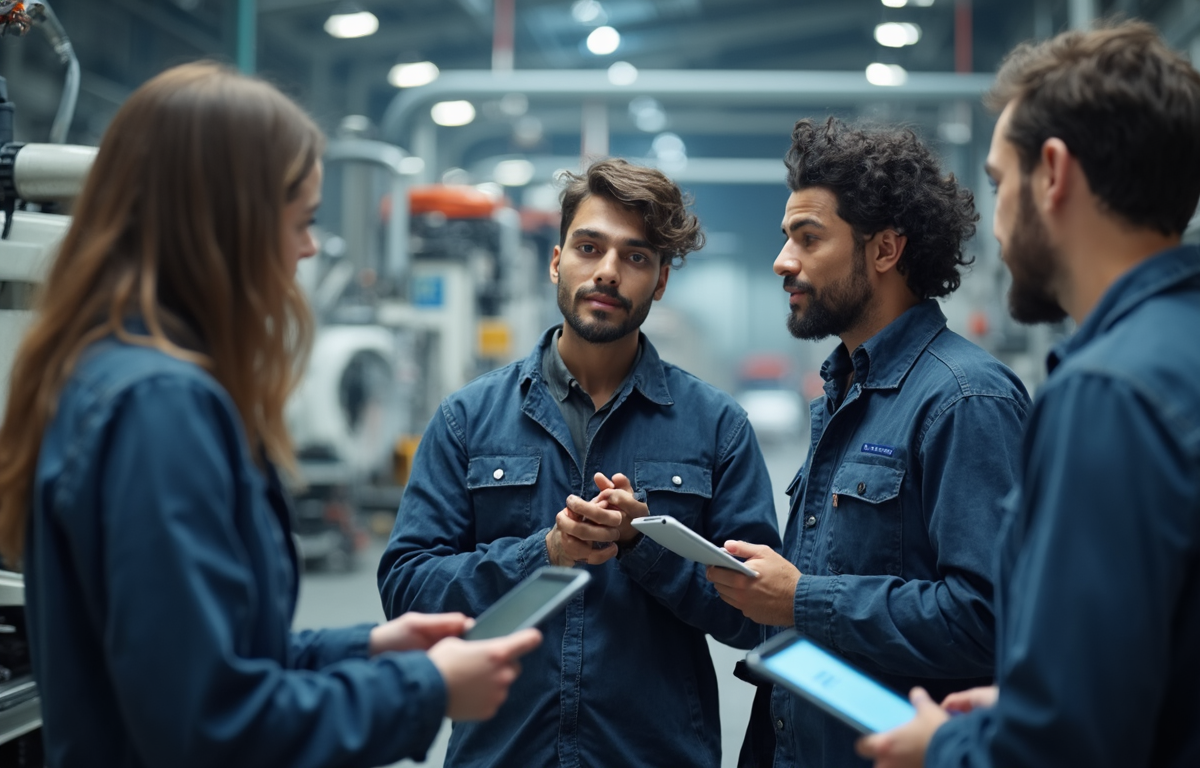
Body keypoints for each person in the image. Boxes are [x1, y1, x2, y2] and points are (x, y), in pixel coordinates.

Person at [0, 62, 541, 768]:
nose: (309, 249)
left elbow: (195, 655)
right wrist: (424, 689)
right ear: (226, 225)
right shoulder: (162, 410)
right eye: (302, 221)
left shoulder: (110, 372)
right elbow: (207, 725)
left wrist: (368, 648)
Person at [858, 20, 1200, 768]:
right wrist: (1015, 709)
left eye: (997, 182)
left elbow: (1068, 747)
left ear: (1052, 172)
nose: (997, 222)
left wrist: (948, 745)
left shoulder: (1107, 395)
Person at [378, 158, 782, 768]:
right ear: (556, 260)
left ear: (662, 280)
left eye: (636, 256)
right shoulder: (469, 418)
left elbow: (755, 616)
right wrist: (543, 555)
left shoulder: (716, 426)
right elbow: (407, 590)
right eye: (589, 247)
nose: (608, 273)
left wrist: (644, 546)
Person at [705, 118, 1031, 768]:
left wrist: (802, 599)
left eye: (808, 237)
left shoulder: (965, 401)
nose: (782, 261)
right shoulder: (846, 391)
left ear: (884, 251)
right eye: (785, 237)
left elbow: (988, 619)